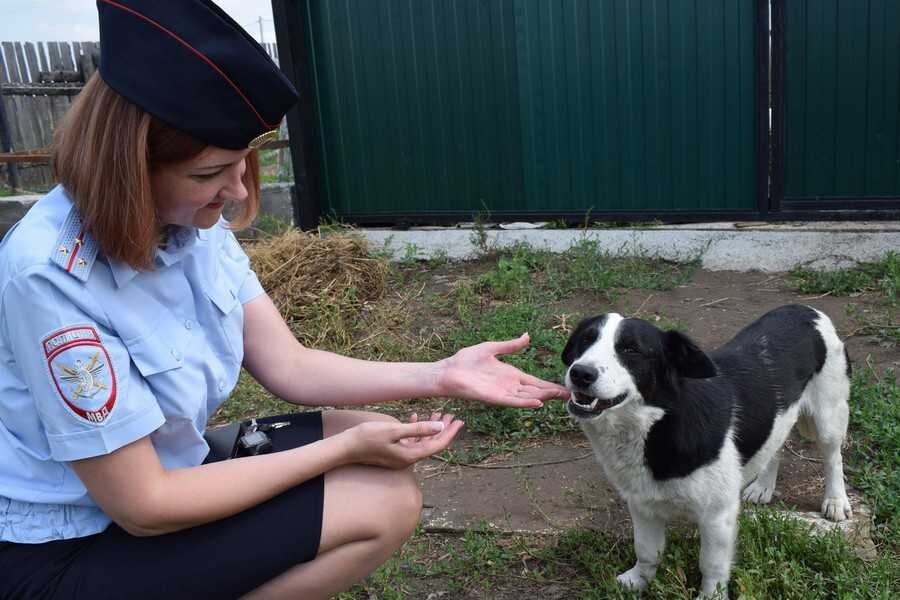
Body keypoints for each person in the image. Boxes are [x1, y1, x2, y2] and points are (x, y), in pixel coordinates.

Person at [0, 1, 569, 598]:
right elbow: (145, 505)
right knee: (378, 496)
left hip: (166, 475)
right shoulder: (51, 274)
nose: (239, 189)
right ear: (128, 165)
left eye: (245, 161)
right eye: (210, 173)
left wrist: (442, 373)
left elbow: (289, 365)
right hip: (68, 548)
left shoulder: (190, 223)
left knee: (371, 433)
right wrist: (339, 451)